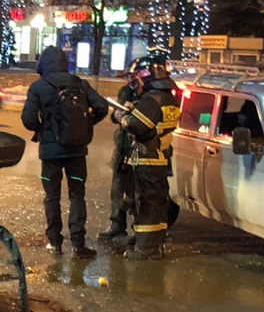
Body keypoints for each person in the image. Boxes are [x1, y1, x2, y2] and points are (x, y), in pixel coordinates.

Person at [21, 45, 108, 258]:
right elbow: (102, 107)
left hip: (50, 154)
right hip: (77, 152)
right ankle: (78, 244)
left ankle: (55, 242)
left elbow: (28, 119)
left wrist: (42, 129)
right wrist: (85, 125)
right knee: (77, 195)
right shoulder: (80, 84)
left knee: (52, 197)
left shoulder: (38, 87)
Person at [120, 54, 180, 260]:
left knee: (145, 205)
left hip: (147, 160)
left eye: (135, 76)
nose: (133, 82)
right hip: (159, 158)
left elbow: (136, 125)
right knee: (154, 203)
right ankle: (148, 244)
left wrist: (124, 118)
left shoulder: (151, 99)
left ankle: (147, 249)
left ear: (146, 75)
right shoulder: (168, 96)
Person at [99, 62, 140, 241]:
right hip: (123, 147)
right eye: (128, 78)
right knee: (117, 188)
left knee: (137, 192)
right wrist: (115, 115)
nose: (131, 81)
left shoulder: (149, 95)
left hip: (139, 150)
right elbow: (119, 111)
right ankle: (117, 224)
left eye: (134, 77)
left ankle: (138, 230)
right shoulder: (125, 91)